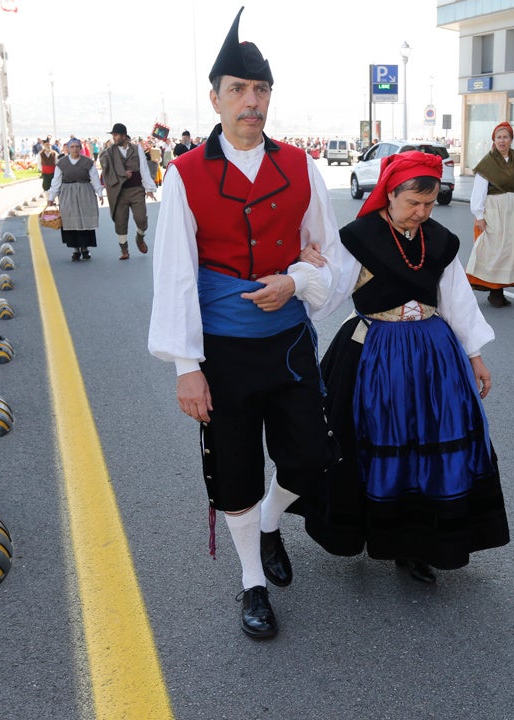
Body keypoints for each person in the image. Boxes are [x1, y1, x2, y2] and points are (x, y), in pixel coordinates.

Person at [148, 6, 342, 640]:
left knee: (311, 458)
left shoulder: (302, 166)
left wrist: (298, 280)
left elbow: (329, 256)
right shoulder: (183, 177)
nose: (251, 102)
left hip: (287, 344)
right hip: (222, 353)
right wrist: (185, 369)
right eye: (238, 91)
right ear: (215, 99)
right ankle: (252, 580)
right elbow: (175, 276)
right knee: (234, 471)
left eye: (260, 91)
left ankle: (270, 523)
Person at [298, 150, 510, 584]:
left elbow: (457, 302)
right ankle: (383, 536)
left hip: (434, 356)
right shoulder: (359, 238)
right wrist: (303, 269)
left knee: (432, 446)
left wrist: (475, 356)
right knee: (381, 444)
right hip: (380, 357)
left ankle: (419, 546)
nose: (422, 213)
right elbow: (327, 296)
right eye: (414, 202)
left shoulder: (440, 241)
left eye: (429, 204)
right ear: (390, 194)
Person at [465, 121, 514, 308]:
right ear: (494, 140)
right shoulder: (488, 163)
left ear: (511, 140)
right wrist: (479, 215)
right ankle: (494, 292)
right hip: (495, 210)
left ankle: (500, 290)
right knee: (495, 250)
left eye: (505, 137)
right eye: (499, 137)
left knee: (511, 250)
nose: (502, 141)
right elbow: (479, 191)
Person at [98, 122, 156, 260]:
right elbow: (105, 168)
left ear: (124, 136)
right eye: (113, 135)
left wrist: (149, 188)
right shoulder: (109, 152)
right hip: (119, 192)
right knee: (120, 221)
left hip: (136, 189)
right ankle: (124, 250)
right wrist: (122, 174)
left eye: (116, 135)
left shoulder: (137, 149)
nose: (114, 137)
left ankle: (140, 237)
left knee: (141, 218)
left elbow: (144, 168)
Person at [46, 138, 104, 262]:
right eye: (72, 147)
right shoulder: (62, 163)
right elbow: (56, 181)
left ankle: (85, 248)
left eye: (77, 146)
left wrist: (99, 193)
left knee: (84, 219)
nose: (75, 149)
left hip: (85, 192)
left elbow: (94, 178)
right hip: (67, 193)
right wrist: (51, 197)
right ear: (67, 148)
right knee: (70, 220)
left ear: (80, 148)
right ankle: (75, 250)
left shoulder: (87, 162)